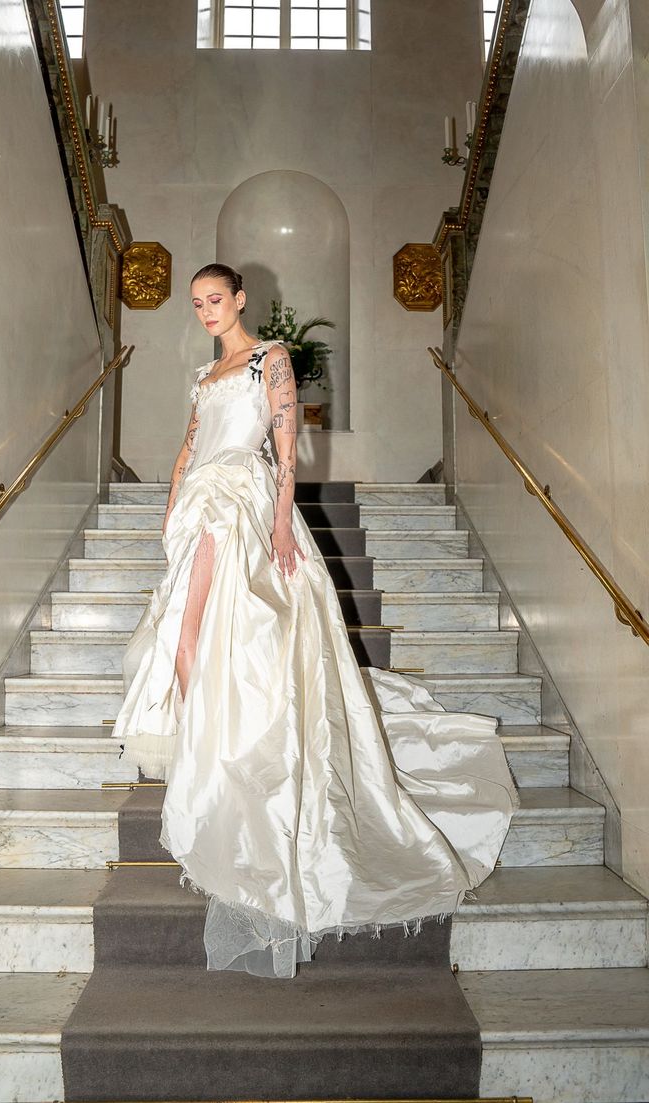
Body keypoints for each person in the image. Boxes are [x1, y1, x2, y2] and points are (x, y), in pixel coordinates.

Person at [111, 262, 519, 979]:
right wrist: (170, 503)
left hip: (244, 500)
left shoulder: (271, 358)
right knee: (186, 624)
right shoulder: (206, 377)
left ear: (240, 298)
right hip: (200, 503)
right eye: (197, 303)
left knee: (204, 621)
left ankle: (227, 738)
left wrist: (276, 524)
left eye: (216, 299)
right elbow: (186, 445)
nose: (207, 311)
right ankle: (208, 731)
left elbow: (285, 440)